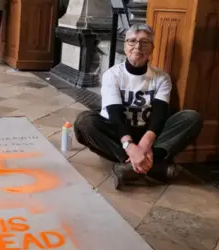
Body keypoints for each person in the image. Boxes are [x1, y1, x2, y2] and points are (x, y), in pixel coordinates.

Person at [73, 23, 203, 189]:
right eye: (132, 41)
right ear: (125, 46)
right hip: (118, 133)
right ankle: (153, 167)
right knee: (84, 122)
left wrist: (143, 146)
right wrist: (129, 146)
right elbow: (114, 115)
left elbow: (160, 113)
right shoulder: (112, 75)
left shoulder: (161, 77)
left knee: (191, 118)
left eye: (144, 42)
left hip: (148, 134)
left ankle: (129, 167)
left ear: (152, 48)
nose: (137, 47)